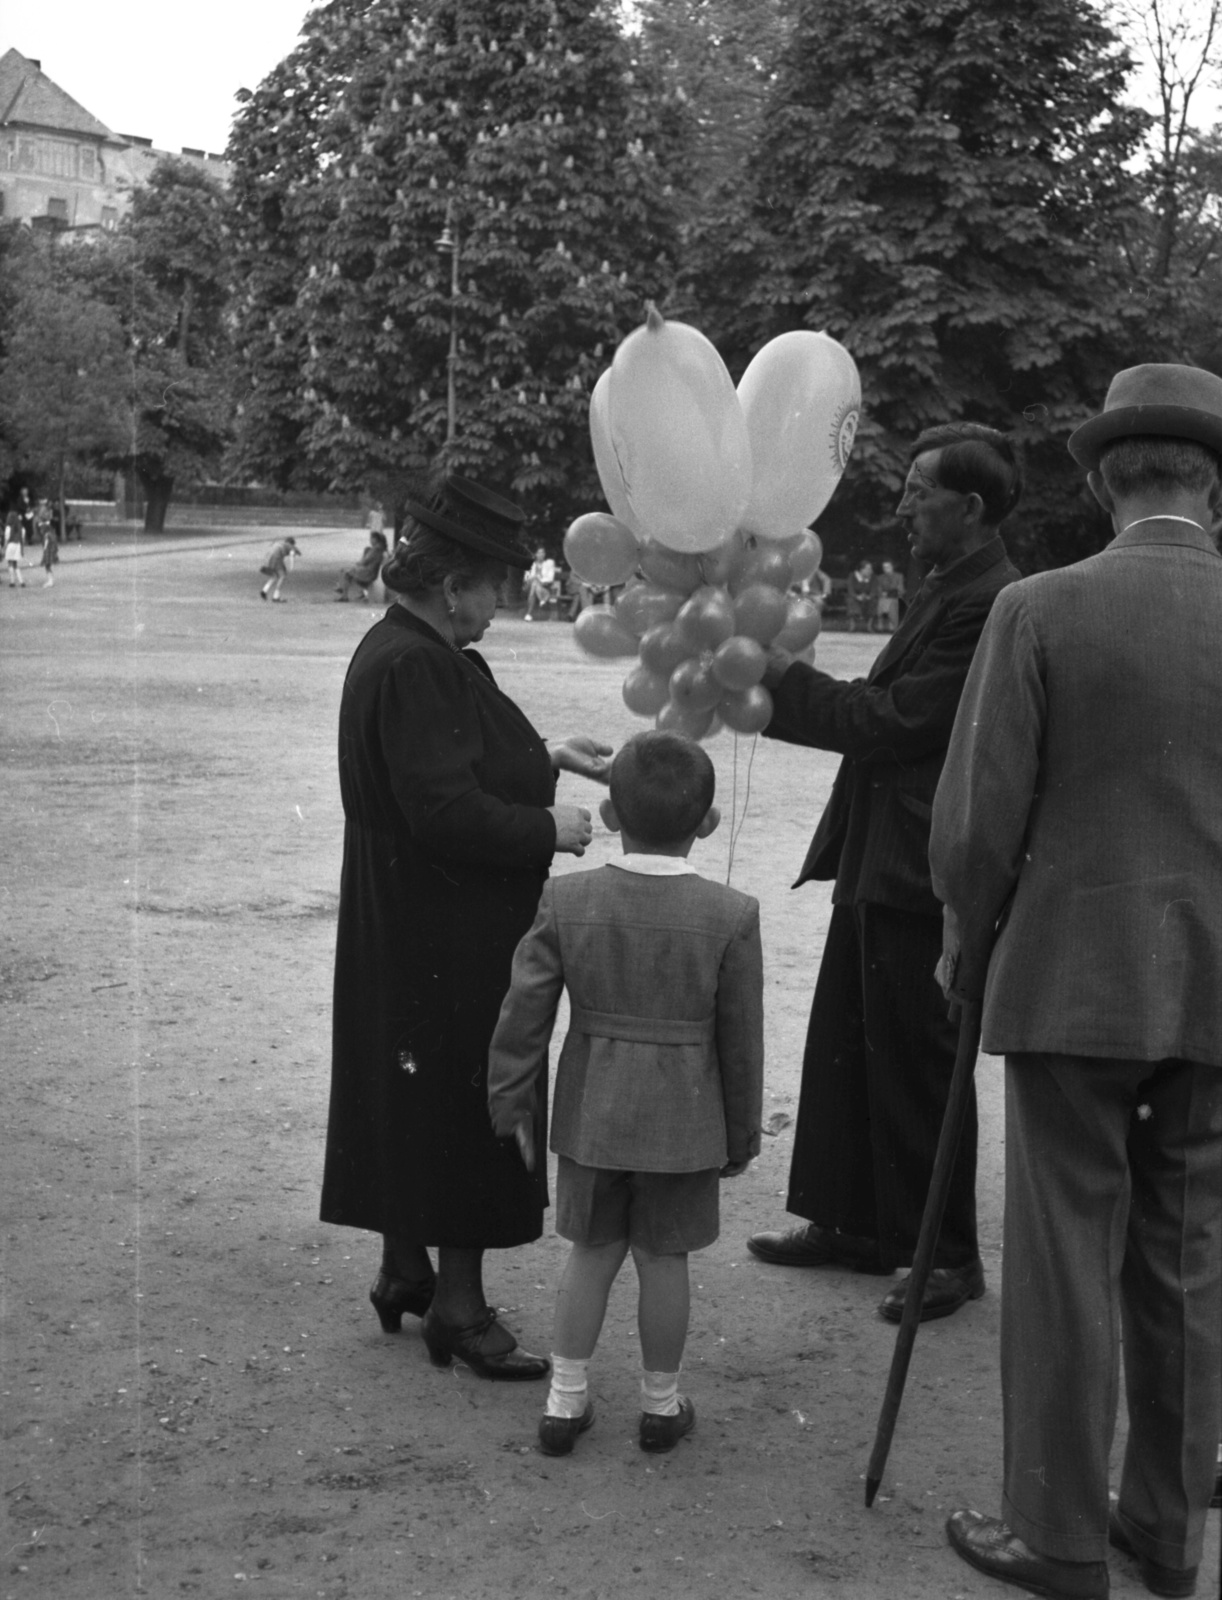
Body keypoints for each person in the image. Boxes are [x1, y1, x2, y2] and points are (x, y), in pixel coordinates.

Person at [932, 366, 1222, 1600]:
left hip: (1070, 980)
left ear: (1104, 480)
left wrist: (962, 936)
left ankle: (1054, 1533)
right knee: (1186, 1256)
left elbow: (975, 826)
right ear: (1211, 481)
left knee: (1062, 1255)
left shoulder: (1041, 610)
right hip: (1215, 991)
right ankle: (1164, 1527)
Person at [320, 472, 613, 1382]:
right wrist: (550, 827)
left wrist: (542, 757)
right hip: (445, 921)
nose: (501, 603)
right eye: (494, 586)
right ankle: (460, 1307)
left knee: (413, 1092)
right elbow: (445, 811)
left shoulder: (407, 647)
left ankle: (405, 1268)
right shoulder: (419, 662)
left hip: (406, 913)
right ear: (453, 585)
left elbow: (454, 762)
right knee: (466, 1095)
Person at [745, 423, 1021, 1322]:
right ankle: (855, 1224)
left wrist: (781, 681)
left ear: (970, 508)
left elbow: (902, 721)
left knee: (917, 1062)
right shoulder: (946, 585)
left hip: (920, 866)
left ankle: (944, 1255)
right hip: (882, 853)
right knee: (848, 1044)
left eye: (919, 492)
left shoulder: (990, 601)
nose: (901, 508)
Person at [487, 731, 764, 1455]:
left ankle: (565, 1398)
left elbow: (525, 1011)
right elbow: (741, 1039)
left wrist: (508, 1094)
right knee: (663, 1261)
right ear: (706, 824)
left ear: (609, 814)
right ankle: (661, 1405)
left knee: (591, 1251)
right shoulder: (733, 914)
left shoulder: (567, 896)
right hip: (687, 1120)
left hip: (593, 1113)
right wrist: (741, 1135)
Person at [335, 530, 388, 602]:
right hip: (370, 571)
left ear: (375, 539)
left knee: (345, 572)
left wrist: (359, 562)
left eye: (371, 539)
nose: (370, 541)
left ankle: (342, 591)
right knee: (347, 571)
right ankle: (342, 588)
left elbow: (364, 561)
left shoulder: (376, 550)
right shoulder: (380, 549)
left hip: (368, 573)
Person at [259, 535, 300, 602]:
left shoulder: (279, 543)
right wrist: (292, 566)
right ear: (292, 543)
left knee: (274, 576)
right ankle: (276, 597)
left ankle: (264, 591)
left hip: (267, 559)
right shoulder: (290, 547)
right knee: (282, 576)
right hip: (276, 559)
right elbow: (292, 554)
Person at [523, 547, 558, 619]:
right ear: (535, 554)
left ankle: (529, 614)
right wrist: (534, 577)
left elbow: (550, 578)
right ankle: (543, 599)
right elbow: (526, 578)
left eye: (542, 552)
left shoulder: (549, 564)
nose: (541, 554)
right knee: (534, 582)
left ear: (545, 554)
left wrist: (539, 580)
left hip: (542, 586)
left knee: (534, 585)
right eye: (539, 552)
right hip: (528, 586)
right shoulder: (530, 564)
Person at [873, 560, 903, 631]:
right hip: (884, 597)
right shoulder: (880, 577)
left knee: (892, 601)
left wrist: (891, 591)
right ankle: (880, 624)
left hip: (894, 596)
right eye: (884, 567)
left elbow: (900, 588)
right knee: (882, 601)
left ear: (892, 567)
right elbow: (879, 588)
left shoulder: (899, 576)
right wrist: (882, 593)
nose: (886, 569)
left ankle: (891, 623)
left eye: (888, 567)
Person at [845, 559, 873, 630]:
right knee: (850, 600)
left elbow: (874, 589)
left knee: (874, 601)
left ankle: (869, 626)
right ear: (861, 569)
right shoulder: (852, 576)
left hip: (867, 597)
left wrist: (868, 596)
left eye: (870, 569)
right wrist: (857, 596)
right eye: (868, 569)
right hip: (855, 596)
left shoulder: (873, 577)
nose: (870, 570)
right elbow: (850, 589)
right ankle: (853, 624)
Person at [5, 510, 25, 588]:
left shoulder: (8, 527)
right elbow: (22, 538)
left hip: (10, 545)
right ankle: (21, 581)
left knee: (10, 563)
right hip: (18, 545)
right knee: (16, 564)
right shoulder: (20, 527)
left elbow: (7, 538)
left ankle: (12, 581)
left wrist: (4, 548)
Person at [40, 518, 59, 588]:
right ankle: (51, 580)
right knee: (48, 567)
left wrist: (44, 551)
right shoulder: (52, 534)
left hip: (48, 552)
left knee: (47, 567)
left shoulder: (46, 535)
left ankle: (50, 581)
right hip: (52, 552)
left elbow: (45, 545)